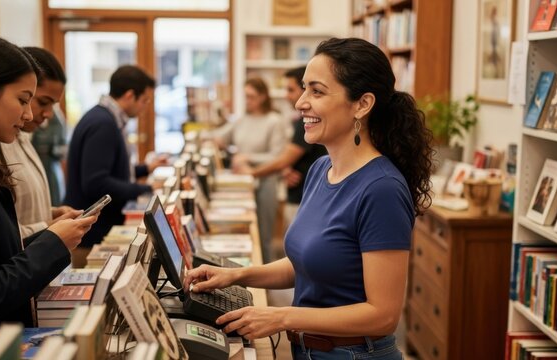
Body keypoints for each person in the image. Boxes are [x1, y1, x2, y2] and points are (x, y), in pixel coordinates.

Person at [185, 37, 433, 359]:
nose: (300, 102)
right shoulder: (320, 169)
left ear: (362, 104)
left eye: (316, 91)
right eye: (304, 89)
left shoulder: (381, 189)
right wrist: (237, 275)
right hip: (308, 351)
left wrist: (281, 316)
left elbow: (383, 314)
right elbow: (308, 262)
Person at [0, 37, 97, 340]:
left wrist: (48, 236)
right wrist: (51, 244)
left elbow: (1, 255)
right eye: (22, 100)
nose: (30, 115)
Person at [64, 65, 167, 267]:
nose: (145, 107)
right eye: (145, 100)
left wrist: (145, 169)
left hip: (96, 230)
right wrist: (145, 188)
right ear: (130, 95)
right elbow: (96, 183)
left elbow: (112, 170)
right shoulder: (103, 124)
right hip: (92, 235)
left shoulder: (105, 118)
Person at [233, 66, 327, 234]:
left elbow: (283, 159)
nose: (287, 96)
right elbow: (288, 158)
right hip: (301, 195)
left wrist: (252, 173)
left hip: (304, 198)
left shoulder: (303, 121)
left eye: (290, 90)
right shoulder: (301, 121)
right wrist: (285, 168)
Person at [2, 46, 76, 238]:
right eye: (43, 102)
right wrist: (49, 227)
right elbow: (2, 235)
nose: (48, 114)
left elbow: (20, 211)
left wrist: (51, 213)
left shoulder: (22, 137)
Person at [213, 77, 288, 263]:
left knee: (263, 236)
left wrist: (248, 157)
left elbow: (278, 156)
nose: (247, 101)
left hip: (265, 182)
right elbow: (218, 137)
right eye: (245, 96)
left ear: (263, 97)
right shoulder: (242, 119)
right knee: (247, 236)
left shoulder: (274, 121)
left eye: (251, 96)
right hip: (242, 183)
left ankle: (268, 285)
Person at [31, 105, 67, 206]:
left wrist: (52, 150)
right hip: (36, 167)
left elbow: (63, 148)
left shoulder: (57, 119)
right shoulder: (32, 122)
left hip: (52, 169)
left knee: (54, 199)